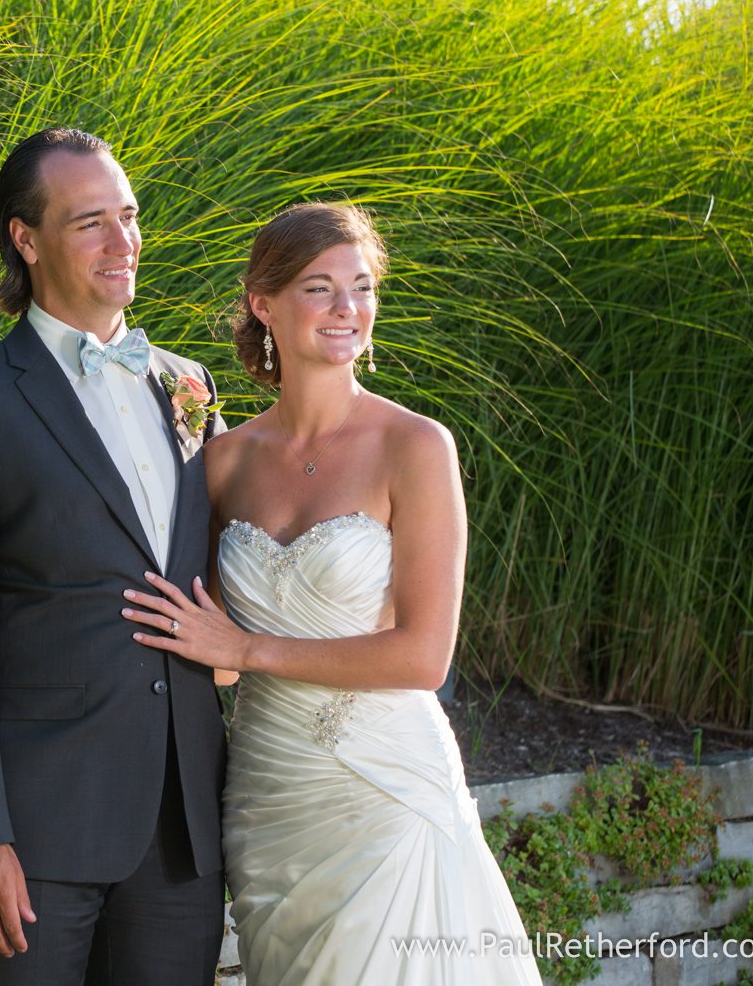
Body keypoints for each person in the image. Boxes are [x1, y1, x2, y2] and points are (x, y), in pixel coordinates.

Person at [122, 203, 542, 984]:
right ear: (263, 304)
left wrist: (245, 650)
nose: (348, 309)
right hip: (268, 800)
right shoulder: (223, 463)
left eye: (362, 287)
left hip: (387, 791)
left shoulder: (413, 447)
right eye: (320, 288)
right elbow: (203, 644)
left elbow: (423, 656)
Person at [0, 127, 229, 986]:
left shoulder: (190, 387)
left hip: (181, 835)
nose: (123, 243)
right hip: (34, 838)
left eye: (128, 216)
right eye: (91, 223)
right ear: (26, 237)